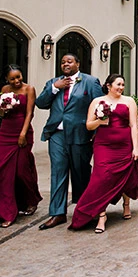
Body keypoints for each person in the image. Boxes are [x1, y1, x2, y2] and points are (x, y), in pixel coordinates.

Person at [69, 74, 138, 233]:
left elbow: (133, 125)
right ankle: (102, 215)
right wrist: (101, 120)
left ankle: (126, 204)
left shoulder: (129, 101)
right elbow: (89, 125)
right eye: (118, 84)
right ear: (108, 85)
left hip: (124, 145)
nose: (121, 88)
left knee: (126, 175)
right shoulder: (97, 102)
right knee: (101, 178)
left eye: (123, 85)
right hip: (103, 146)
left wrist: (136, 147)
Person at [35, 54, 103, 230]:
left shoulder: (90, 81)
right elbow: (41, 103)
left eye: (69, 61)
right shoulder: (53, 82)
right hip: (57, 134)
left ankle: (84, 211)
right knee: (58, 171)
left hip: (80, 134)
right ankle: (57, 213)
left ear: (78, 64)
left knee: (80, 172)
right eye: (63, 61)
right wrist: (54, 88)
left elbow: (99, 105)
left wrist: (95, 131)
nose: (65, 64)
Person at [0, 65, 42, 228]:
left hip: (23, 132)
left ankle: (30, 200)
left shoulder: (29, 89)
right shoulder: (5, 89)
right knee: (2, 172)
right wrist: (3, 108)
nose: (17, 81)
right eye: (13, 78)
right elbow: (0, 113)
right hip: (5, 132)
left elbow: (29, 113)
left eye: (18, 77)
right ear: (7, 79)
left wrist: (22, 134)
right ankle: (5, 210)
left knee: (21, 170)